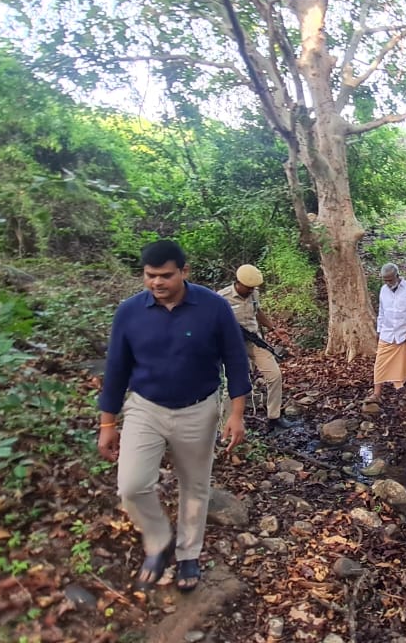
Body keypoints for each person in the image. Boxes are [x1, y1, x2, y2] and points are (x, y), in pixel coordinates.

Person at [97, 240, 250, 594]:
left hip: (198, 408)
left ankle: (188, 554)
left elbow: (236, 360)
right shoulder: (129, 312)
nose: (157, 283)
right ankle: (158, 539)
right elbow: (116, 369)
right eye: (150, 276)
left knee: (195, 487)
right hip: (145, 408)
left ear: (184, 271)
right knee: (131, 485)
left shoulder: (213, 307)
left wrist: (236, 413)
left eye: (166, 275)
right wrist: (107, 423)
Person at [219, 264, 292, 431]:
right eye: (248, 287)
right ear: (238, 282)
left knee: (274, 375)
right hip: (232, 346)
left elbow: (257, 312)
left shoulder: (254, 294)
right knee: (234, 383)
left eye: (254, 288)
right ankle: (227, 425)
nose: (252, 290)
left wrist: (274, 328)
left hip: (254, 340)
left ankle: (274, 416)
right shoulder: (222, 298)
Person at [366, 263, 406, 403]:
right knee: (379, 363)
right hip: (387, 333)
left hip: (405, 334)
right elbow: (382, 312)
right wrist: (379, 330)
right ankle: (377, 394)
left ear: (397, 276)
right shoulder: (383, 290)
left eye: (390, 279)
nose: (387, 283)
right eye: (385, 280)